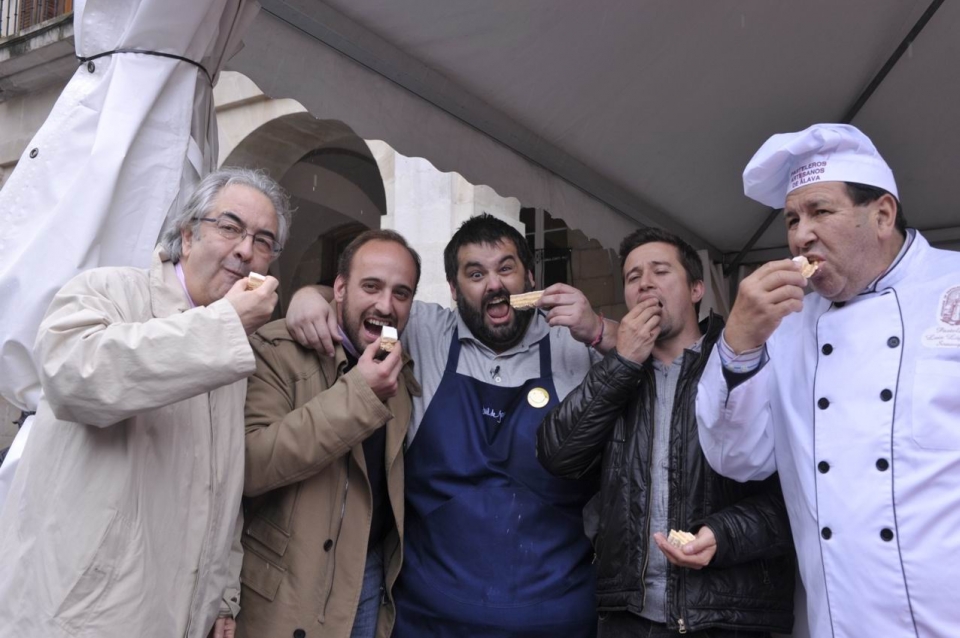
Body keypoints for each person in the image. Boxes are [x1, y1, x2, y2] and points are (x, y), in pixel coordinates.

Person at [286, 213, 620, 637]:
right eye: (475, 273)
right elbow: (360, 305)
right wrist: (309, 297)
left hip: (555, 618)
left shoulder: (573, 341)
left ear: (530, 277)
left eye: (506, 268)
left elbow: (662, 355)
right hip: (430, 619)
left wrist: (600, 329)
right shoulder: (424, 331)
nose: (494, 285)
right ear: (453, 289)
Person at [0, 167, 291, 638]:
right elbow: (72, 378)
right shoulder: (108, 290)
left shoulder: (233, 340)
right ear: (188, 235)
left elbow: (222, 490)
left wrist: (222, 598)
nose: (245, 250)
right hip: (85, 616)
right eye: (230, 227)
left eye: (264, 240)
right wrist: (220, 329)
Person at [696, 123, 960, 638]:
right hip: (840, 621)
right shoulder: (784, 327)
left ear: (882, 215)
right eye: (792, 219)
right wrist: (739, 341)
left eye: (820, 211)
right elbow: (737, 459)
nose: (800, 234)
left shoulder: (952, 286)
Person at [537, 228, 795, 637]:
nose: (645, 284)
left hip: (729, 615)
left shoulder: (745, 364)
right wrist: (623, 360)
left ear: (696, 289)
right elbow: (557, 454)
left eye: (660, 271)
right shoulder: (619, 372)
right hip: (628, 616)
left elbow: (796, 497)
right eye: (633, 277)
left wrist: (723, 534)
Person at [236, 230, 421, 638]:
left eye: (401, 293)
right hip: (289, 583)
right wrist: (359, 395)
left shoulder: (401, 366)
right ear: (339, 288)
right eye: (370, 286)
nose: (385, 305)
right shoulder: (277, 348)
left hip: (367, 576)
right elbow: (251, 464)